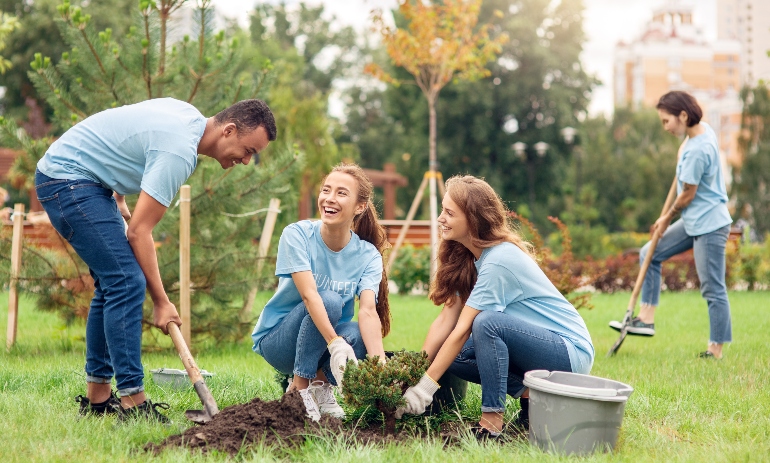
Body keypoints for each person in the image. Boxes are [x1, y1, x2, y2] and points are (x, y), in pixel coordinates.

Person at [35, 98, 276, 421]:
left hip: (86, 179)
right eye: (248, 150)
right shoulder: (179, 151)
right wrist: (162, 303)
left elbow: (126, 130)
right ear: (229, 130)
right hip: (69, 179)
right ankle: (133, 403)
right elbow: (139, 233)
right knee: (125, 281)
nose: (247, 161)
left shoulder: (188, 116)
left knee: (111, 285)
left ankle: (98, 400)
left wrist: (119, 194)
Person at [395, 175, 594, 440]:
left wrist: (424, 389)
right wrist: (411, 374)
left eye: (449, 212)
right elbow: (446, 321)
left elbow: (463, 329)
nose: (441, 218)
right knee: (453, 355)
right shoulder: (468, 257)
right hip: (538, 351)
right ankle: (531, 397)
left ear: (473, 220)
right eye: (443, 210)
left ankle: (491, 421)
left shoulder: (499, 260)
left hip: (569, 352)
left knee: (487, 323)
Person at [251, 163, 390, 421]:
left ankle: (320, 385)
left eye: (341, 193)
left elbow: (368, 312)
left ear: (360, 207)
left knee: (359, 335)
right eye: (326, 190)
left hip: (322, 342)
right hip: (280, 342)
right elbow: (310, 296)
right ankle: (299, 389)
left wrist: (380, 369)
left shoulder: (368, 254)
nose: (329, 198)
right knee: (329, 300)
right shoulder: (297, 234)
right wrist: (335, 343)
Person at [609, 90, 733, 359]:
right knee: (649, 253)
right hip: (693, 221)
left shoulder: (698, 149)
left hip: (710, 224)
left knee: (713, 287)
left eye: (667, 121)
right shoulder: (698, 133)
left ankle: (716, 348)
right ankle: (646, 318)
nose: (664, 127)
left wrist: (666, 218)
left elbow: (688, 193)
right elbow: (685, 180)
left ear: (683, 116)